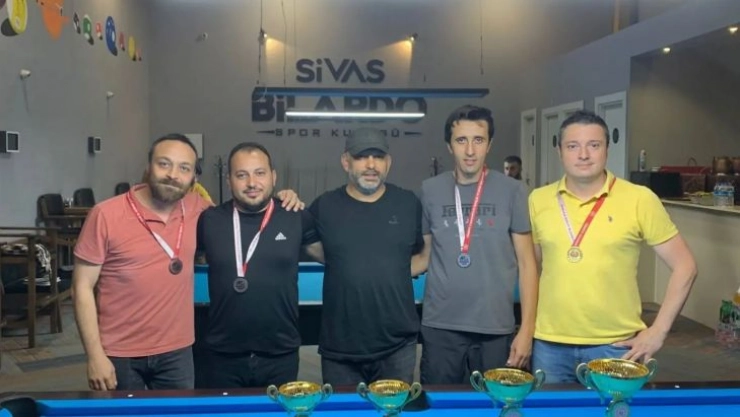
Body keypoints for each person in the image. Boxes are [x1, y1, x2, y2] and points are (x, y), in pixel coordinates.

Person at [73, 133, 303, 391]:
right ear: (148, 167)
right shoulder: (106, 214)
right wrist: (94, 356)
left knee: (182, 409)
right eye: (164, 164)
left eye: (184, 168)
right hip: (119, 352)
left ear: (194, 177)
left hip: (178, 352)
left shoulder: (200, 211)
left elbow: (249, 212)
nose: (173, 175)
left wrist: (286, 197)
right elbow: (81, 287)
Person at [528, 110, 697, 383]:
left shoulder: (639, 199)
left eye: (594, 145)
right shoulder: (538, 200)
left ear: (607, 149)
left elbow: (685, 266)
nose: (583, 154)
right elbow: (530, 271)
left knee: (616, 407)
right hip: (549, 346)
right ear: (560, 152)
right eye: (573, 146)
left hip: (617, 346)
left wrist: (658, 331)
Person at [415, 105, 538, 385]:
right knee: (442, 404)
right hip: (440, 327)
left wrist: (527, 330)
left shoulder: (513, 190)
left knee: (495, 403)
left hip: (495, 328)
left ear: (489, 144)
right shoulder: (429, 190)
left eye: (478, 140)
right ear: (449, 146)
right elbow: (425, 256)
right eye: (461, 140)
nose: (470, 150)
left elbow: (528, 264)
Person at [196, 142, 322, 388]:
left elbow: (331, 256)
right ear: (229, 180)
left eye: (260, 173)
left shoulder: (296, 215)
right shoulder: (209, 220)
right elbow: (193, 256)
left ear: (273, 177)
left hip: (280, 354)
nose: (252, 183)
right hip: (222, 355)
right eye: (241, 175)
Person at [308, 127, 423, 386]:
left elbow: (424, 252)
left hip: (398, 347)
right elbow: (305, 244)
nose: (371, 165)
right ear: (346, 161)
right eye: (361, 157)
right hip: (340, 349)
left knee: (393, 409)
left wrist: (392, 272)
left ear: (388, 162)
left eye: (378, 157)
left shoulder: (408, 203)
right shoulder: (325, 206)